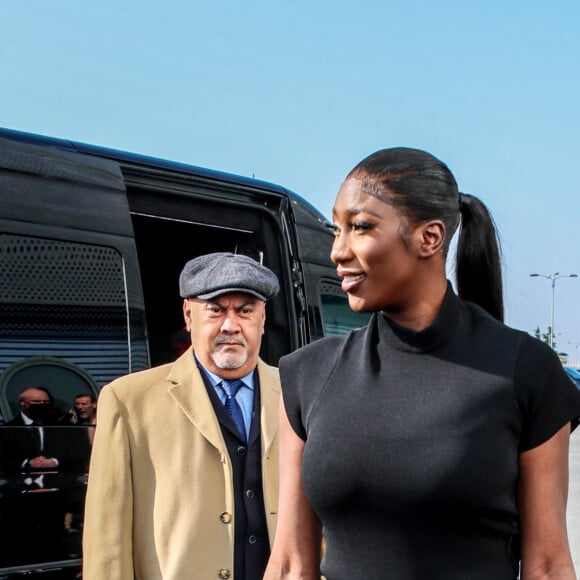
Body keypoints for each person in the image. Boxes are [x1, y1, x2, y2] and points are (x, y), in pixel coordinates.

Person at [264, 148, 580, 580]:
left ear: (429, 238)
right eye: (335, 229)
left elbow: (546, 566)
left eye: (359, 227)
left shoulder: (526, 372)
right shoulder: (308, 375)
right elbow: (289, 566)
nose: (338, 251)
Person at [83, 252, 281, 580]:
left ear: (262, 319)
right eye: (215, 310)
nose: (231, 325)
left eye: (245, 311)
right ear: (189, 315)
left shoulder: (295, 393)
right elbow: (107, 540)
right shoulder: (128, 400)